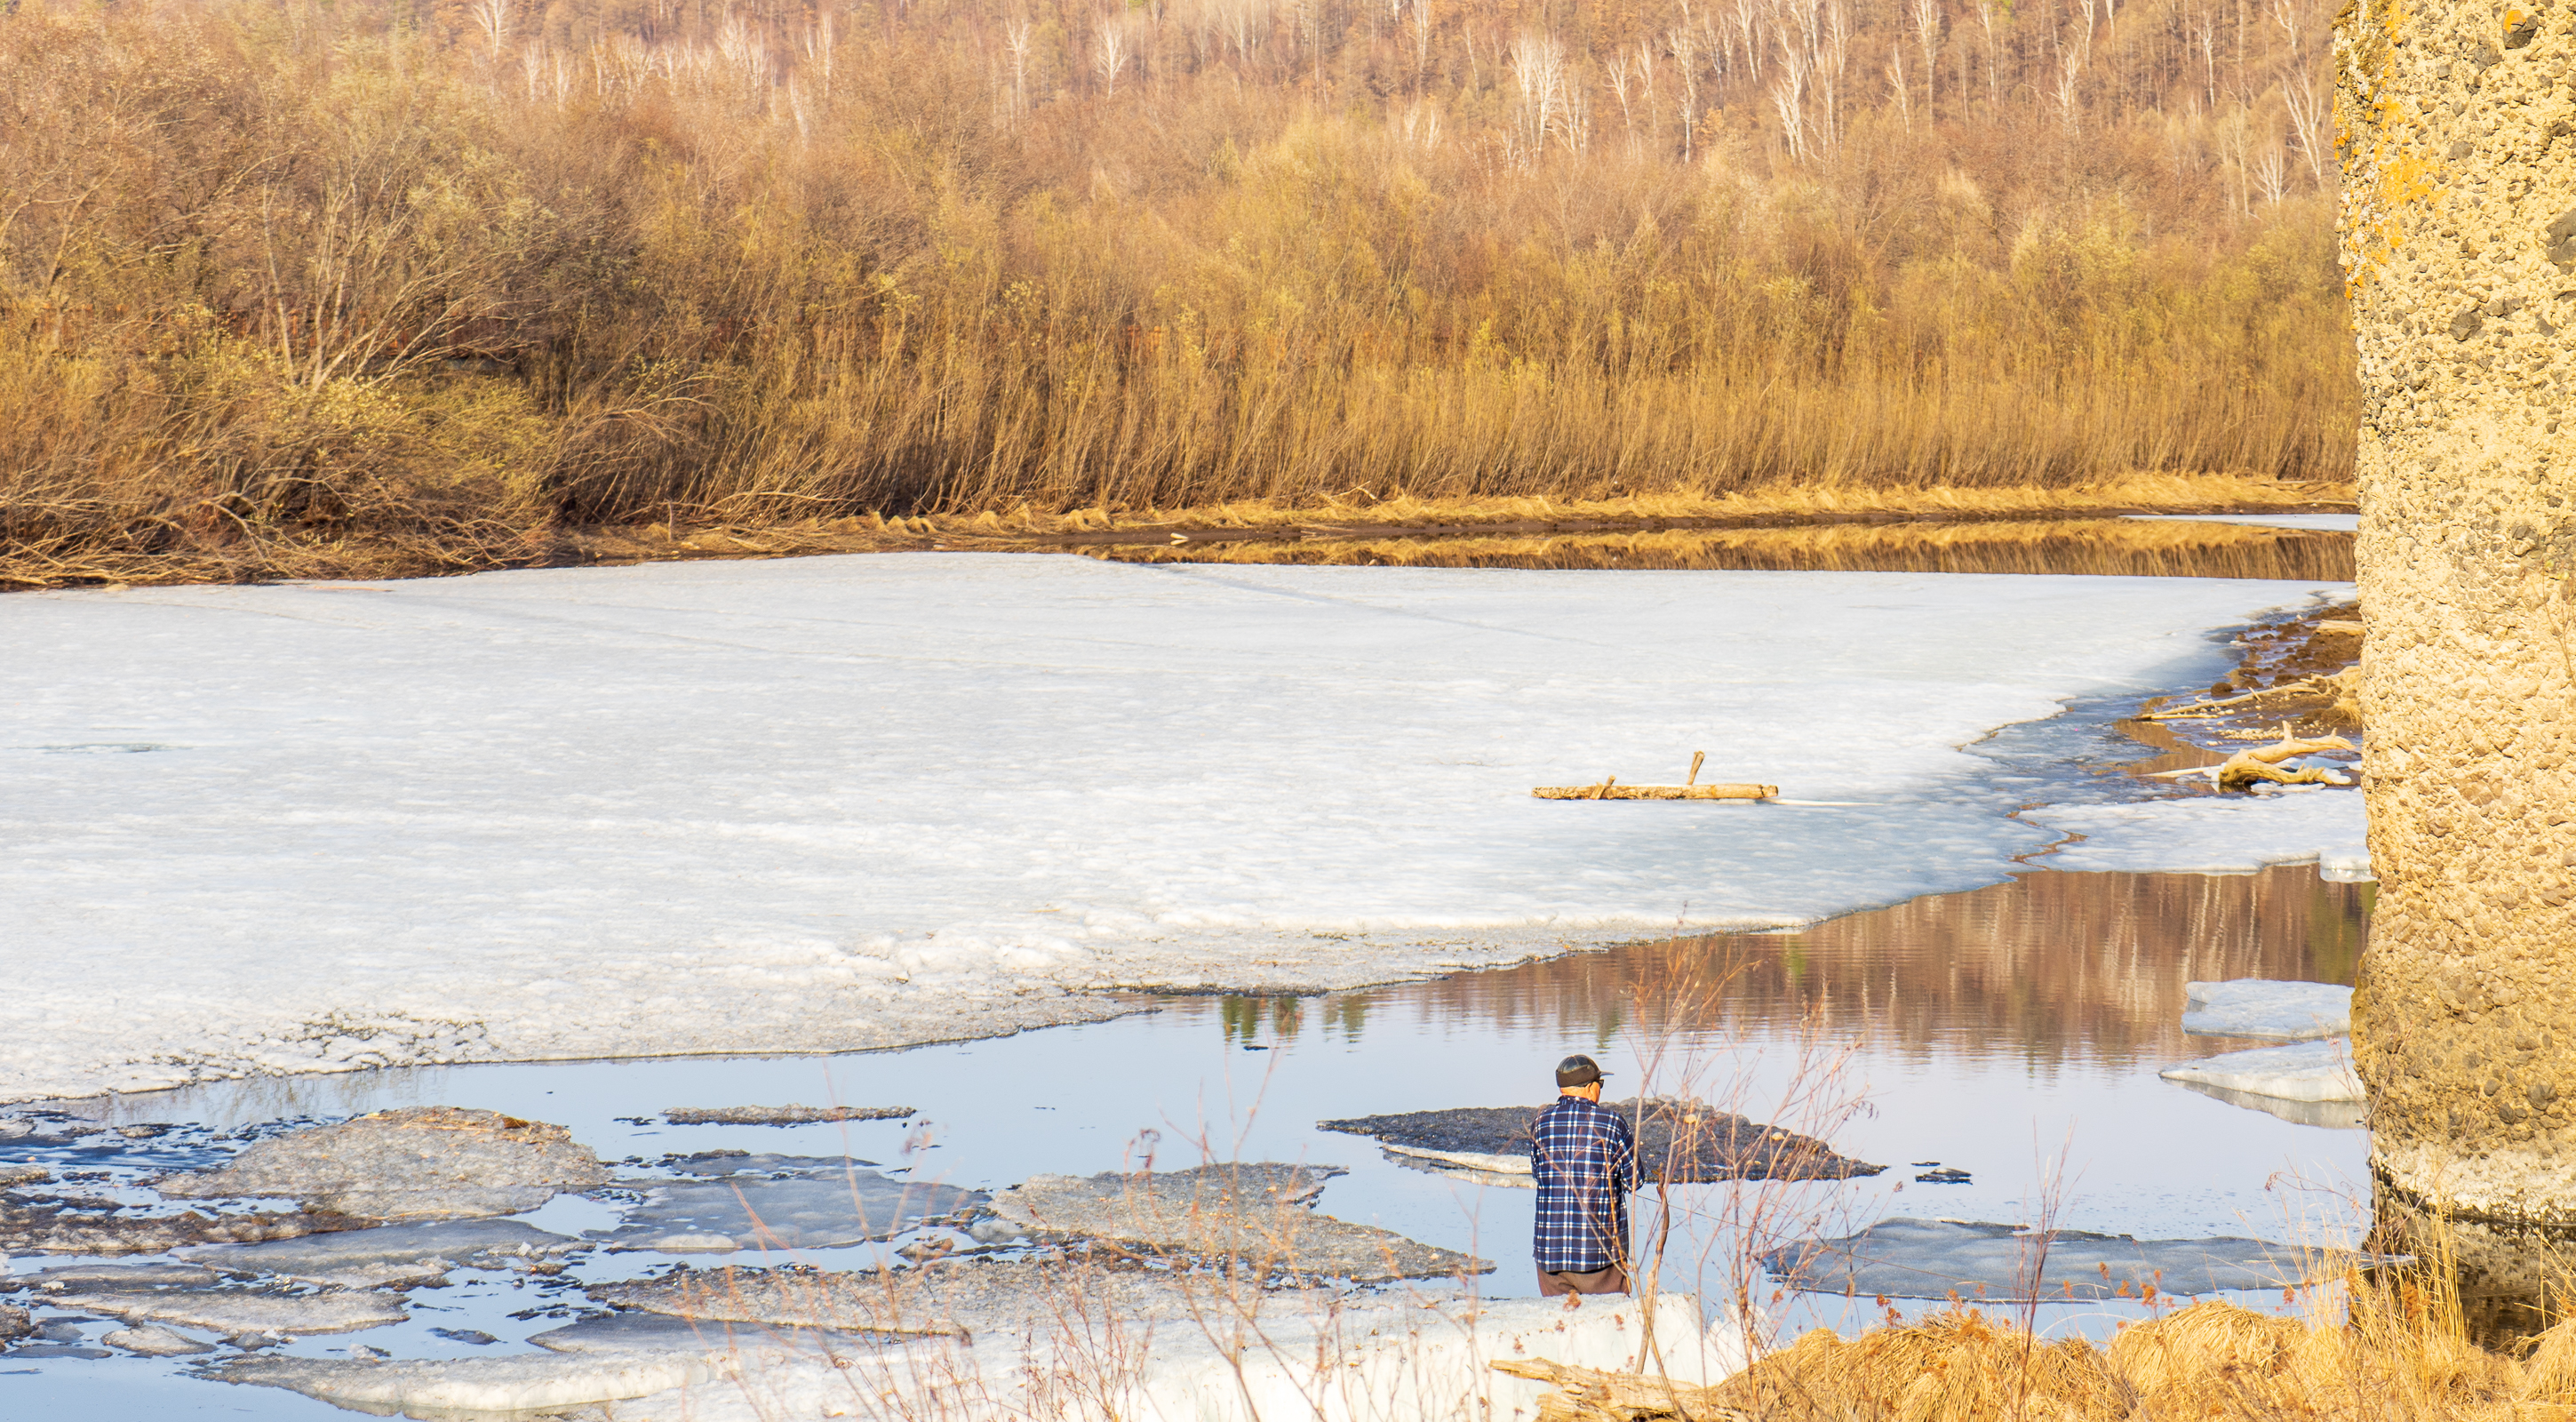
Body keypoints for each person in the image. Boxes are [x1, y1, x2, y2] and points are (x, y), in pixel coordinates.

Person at [1529, 1052, 1636, 1297]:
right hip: (1600, 1258)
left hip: (1550, 1259)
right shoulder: (1612, 1122)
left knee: (1562, 1328)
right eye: (1601, 1084)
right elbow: (1635, 1181)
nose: (1601, 1089)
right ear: (1589, 1088)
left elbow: (1538, 1173)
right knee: (1611, 1327)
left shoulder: (1540, 1123)